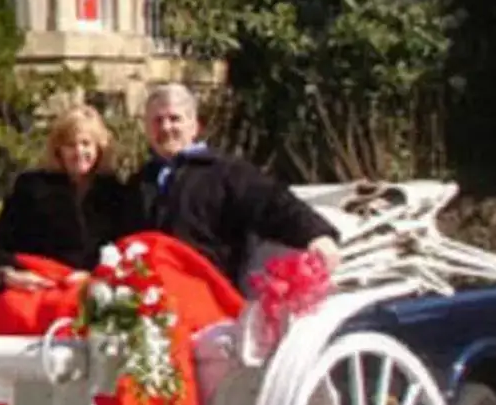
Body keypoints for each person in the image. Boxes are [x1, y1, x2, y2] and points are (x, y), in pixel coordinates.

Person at [124, 81, 338, 288]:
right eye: (158, 120)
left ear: (194, 125)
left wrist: (316, 234)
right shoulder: (140, 182)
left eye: (174, 119)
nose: (166, 127)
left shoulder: (225, 172)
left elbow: (271, 201)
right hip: (149, 297)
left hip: (208, 293)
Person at [0, 104, 128, 294]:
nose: (79, 152)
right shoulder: (31, 188)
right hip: (40, 290)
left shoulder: (115, 192)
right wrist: (9, 275)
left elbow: (127, 250)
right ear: (59, 150)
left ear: (99, 148)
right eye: (70, 145)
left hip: (98, 291)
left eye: (86, 143)